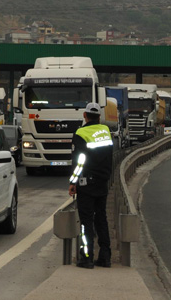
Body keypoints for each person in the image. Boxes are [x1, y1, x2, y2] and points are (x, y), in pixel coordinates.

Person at [68, 102, 114, 269]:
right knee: (101, 219)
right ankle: (105, 257)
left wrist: (73, 182)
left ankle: (86, 257)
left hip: (86, 183)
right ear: (99, 117)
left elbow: (79, 162)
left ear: (85, 115)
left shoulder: (81, 133)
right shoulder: (106, 131)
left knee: (86, 221)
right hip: (103, 182)